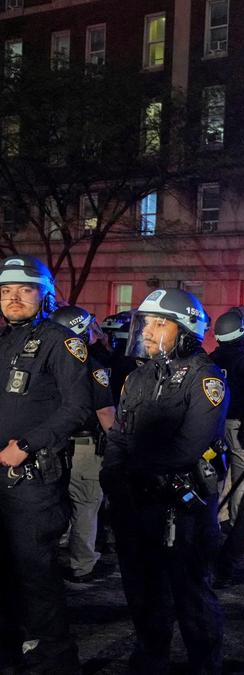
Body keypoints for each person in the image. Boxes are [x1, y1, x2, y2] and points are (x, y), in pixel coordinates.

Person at [100, 288, 227, 673]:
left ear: (185, 329)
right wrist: (114, 476)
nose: (150, 331)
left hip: (182, 508)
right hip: (137, 504)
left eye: (160, 323)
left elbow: (190, 445)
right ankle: (149, 658)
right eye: (147, 323)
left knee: (190, 593)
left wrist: (134, 467)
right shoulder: (138, 377)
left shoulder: (206, 377)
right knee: (142, 589)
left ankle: (204, 664)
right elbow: (121, 433)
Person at [0, 255, 91, 672]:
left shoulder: (60, 341)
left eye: (24, 289)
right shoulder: (4, 341)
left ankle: (56, 659)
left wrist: (28, 444)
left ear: (45, 294)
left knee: (36, 573)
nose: (13, 298)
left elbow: (77, 407)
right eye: (5, 290)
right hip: (1, 480)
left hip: (32, 477)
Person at [50, 306, 117, 585]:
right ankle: (83, 564)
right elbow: (105, 413)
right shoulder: (91, 366)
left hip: (51, 445)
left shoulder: (47, 361)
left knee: (56, 502)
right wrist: (120, 445)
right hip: (84, 447)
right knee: (87, 504)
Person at [210, 309, 244, 557]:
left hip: (214, 426)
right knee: (243, 477)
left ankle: (218, 516)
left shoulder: (209, 359)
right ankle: (238, 525)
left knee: (219, 475)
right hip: (239, 426)